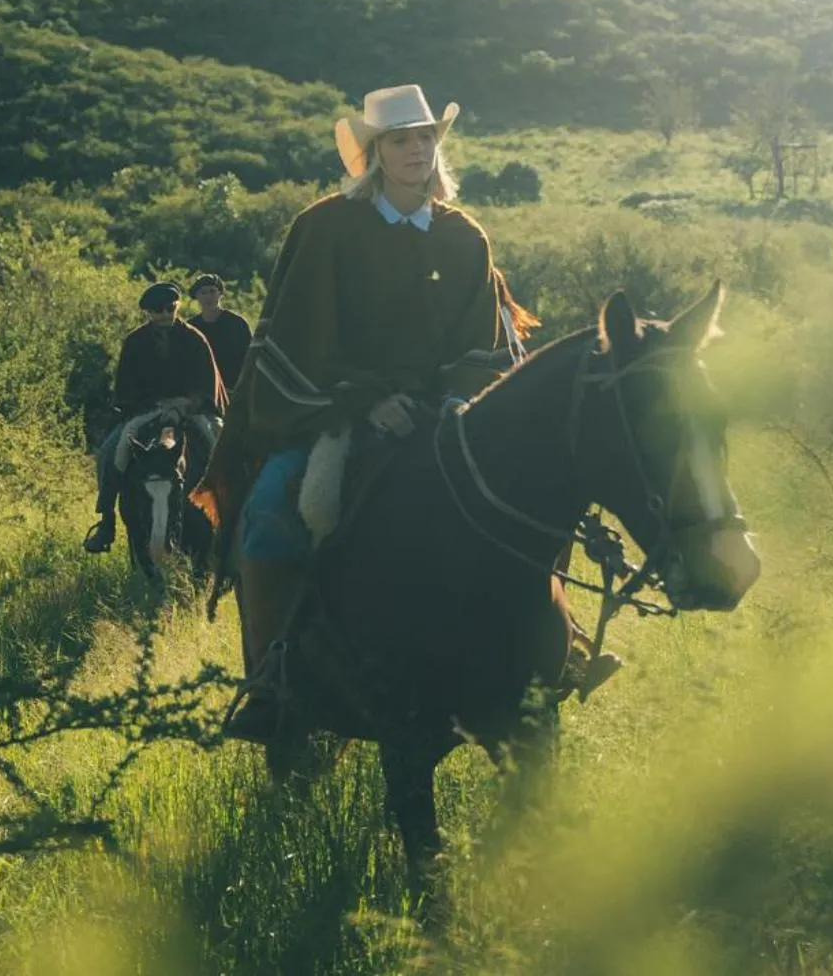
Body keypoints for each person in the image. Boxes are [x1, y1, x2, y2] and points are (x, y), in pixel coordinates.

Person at [200, 84, 518, 743]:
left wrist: (454, 402)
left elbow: (484, 342)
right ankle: (272, 679)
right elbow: (298, 335)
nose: (416, 149)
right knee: (271, 509)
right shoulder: (326, 228)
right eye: (400, 139)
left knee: (521, 497)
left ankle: (550, 647)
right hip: (337, 412)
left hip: (445, 414)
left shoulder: (464, 239)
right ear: (374, 153)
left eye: (426, 136)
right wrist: (366, 401)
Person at [86, 282, 225, 552]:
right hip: (149, 410)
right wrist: (156, 405)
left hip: (192, 410)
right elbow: (127, 387)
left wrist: (185, 404)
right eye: (157, 312)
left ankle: (234, 519)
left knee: (220, 442)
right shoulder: (135, 342)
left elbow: (207, 382)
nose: (163, 316)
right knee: (111, 449)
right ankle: (107, 520)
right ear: (148, 313)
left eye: (169, 309)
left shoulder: (195, 339)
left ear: (177, 307)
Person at [187, 273, 253, 397]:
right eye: (203, 292)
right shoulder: (191, 327)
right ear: (197, 296)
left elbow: (250, 358)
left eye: (212, 291)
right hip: (203, 391)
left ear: (220, 294)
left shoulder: (237, 324)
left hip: (234, 389)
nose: (208, 297)